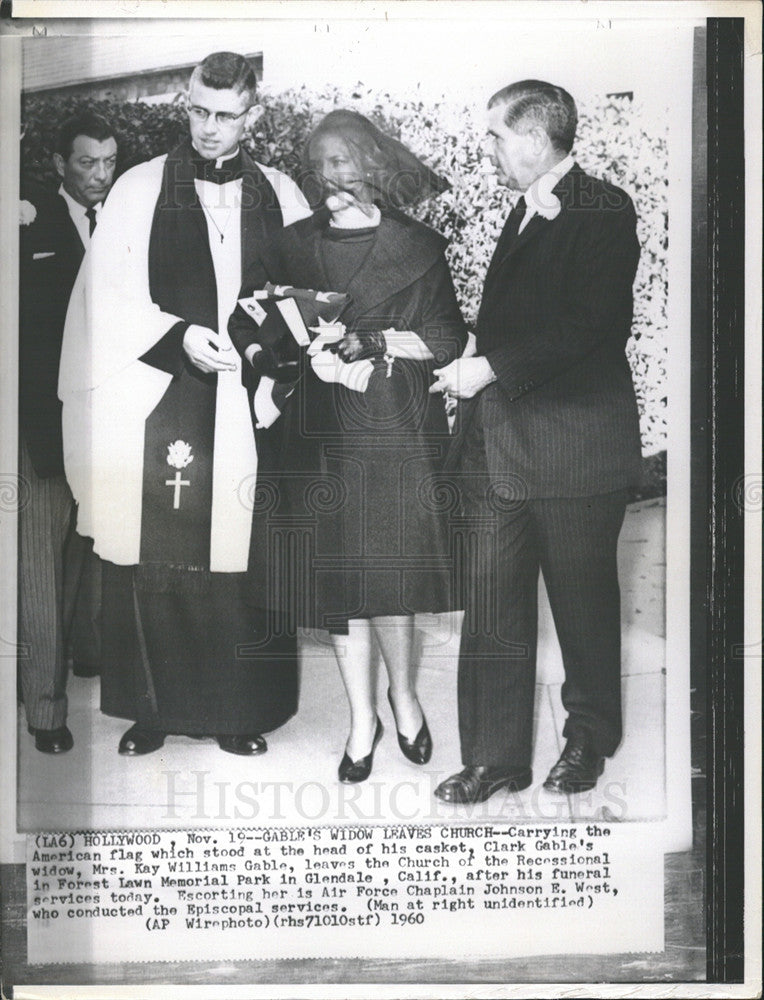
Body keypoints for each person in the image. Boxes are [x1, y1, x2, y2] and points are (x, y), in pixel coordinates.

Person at [59, 52, 311, 756]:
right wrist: (177, 335)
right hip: (163, 395)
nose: (207, 128)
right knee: (155, 554)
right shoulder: (141, 189)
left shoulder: (282, 193)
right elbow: (103, 298)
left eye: (225, 115)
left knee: (241, 552)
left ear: (254, 116)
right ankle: (154, 710)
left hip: (249, 401)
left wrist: (269, 349)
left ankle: (238, 711)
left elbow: (307, 292)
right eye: (198, 110)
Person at [229, 110, 467, 782]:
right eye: (322, 164)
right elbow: (250, 316)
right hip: (316, 433)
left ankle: (405, 697)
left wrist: (380, 342)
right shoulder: (291, 243)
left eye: (344, 162)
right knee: (335, 584)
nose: (332, 177)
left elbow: (446, 338)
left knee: (391, 578)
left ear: (374, 164)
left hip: (390, 431)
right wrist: (283, 359)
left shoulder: (417, 246)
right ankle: (362, 721)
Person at [430, 80, 642, 804]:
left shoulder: (604, 209)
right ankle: (496, 759)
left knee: (582, 608)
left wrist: (487, 367)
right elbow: (518, 324)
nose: (486, 148)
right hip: (502, 448)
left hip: (577, 451)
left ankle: (587, 741)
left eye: (494, 134)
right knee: (491, 606)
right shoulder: (520, 211)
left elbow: (593, 325)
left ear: (534, 136)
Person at [18, 112, 118, 754]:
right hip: (42, 422)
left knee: (89, 545)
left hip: (106, 419)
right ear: (59, 164)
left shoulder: (124, 221)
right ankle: (45, 710)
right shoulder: (27, 222)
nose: (99, 175)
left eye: (108, 162)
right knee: (41, 564)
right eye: (86, 162)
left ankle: (86, 656)